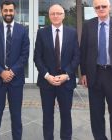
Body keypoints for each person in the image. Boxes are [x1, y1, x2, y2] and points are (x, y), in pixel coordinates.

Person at [80, 0, 112, 139]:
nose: (101, 8)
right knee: (96, 114)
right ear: (94, 9)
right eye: (97, 7)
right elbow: (83, 51)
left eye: (103, 6)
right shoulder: (88, 26)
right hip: (94, 74)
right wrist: (83, 73)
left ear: (110, 7)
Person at [34, 4, 80, 140]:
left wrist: (67, 74)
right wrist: (47, 76)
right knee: (47, 116)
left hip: (66, 82)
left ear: (63, 15)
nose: (55, 16)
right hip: (47, 82)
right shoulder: (42, 33)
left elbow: (76, 56)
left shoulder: (72, 33)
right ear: (49, 16)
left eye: (58, 13)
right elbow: (37, 57)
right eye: (53, 13)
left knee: (66, 115)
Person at [0, 1, 30, 140]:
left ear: (15, 11)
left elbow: (25, 54)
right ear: (1, 11)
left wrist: (11, 72)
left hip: (15, 80)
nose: (8, 13)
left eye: (11, 10)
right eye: (6, 10)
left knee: (16, 116)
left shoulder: (22, 30)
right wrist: (1, 72)